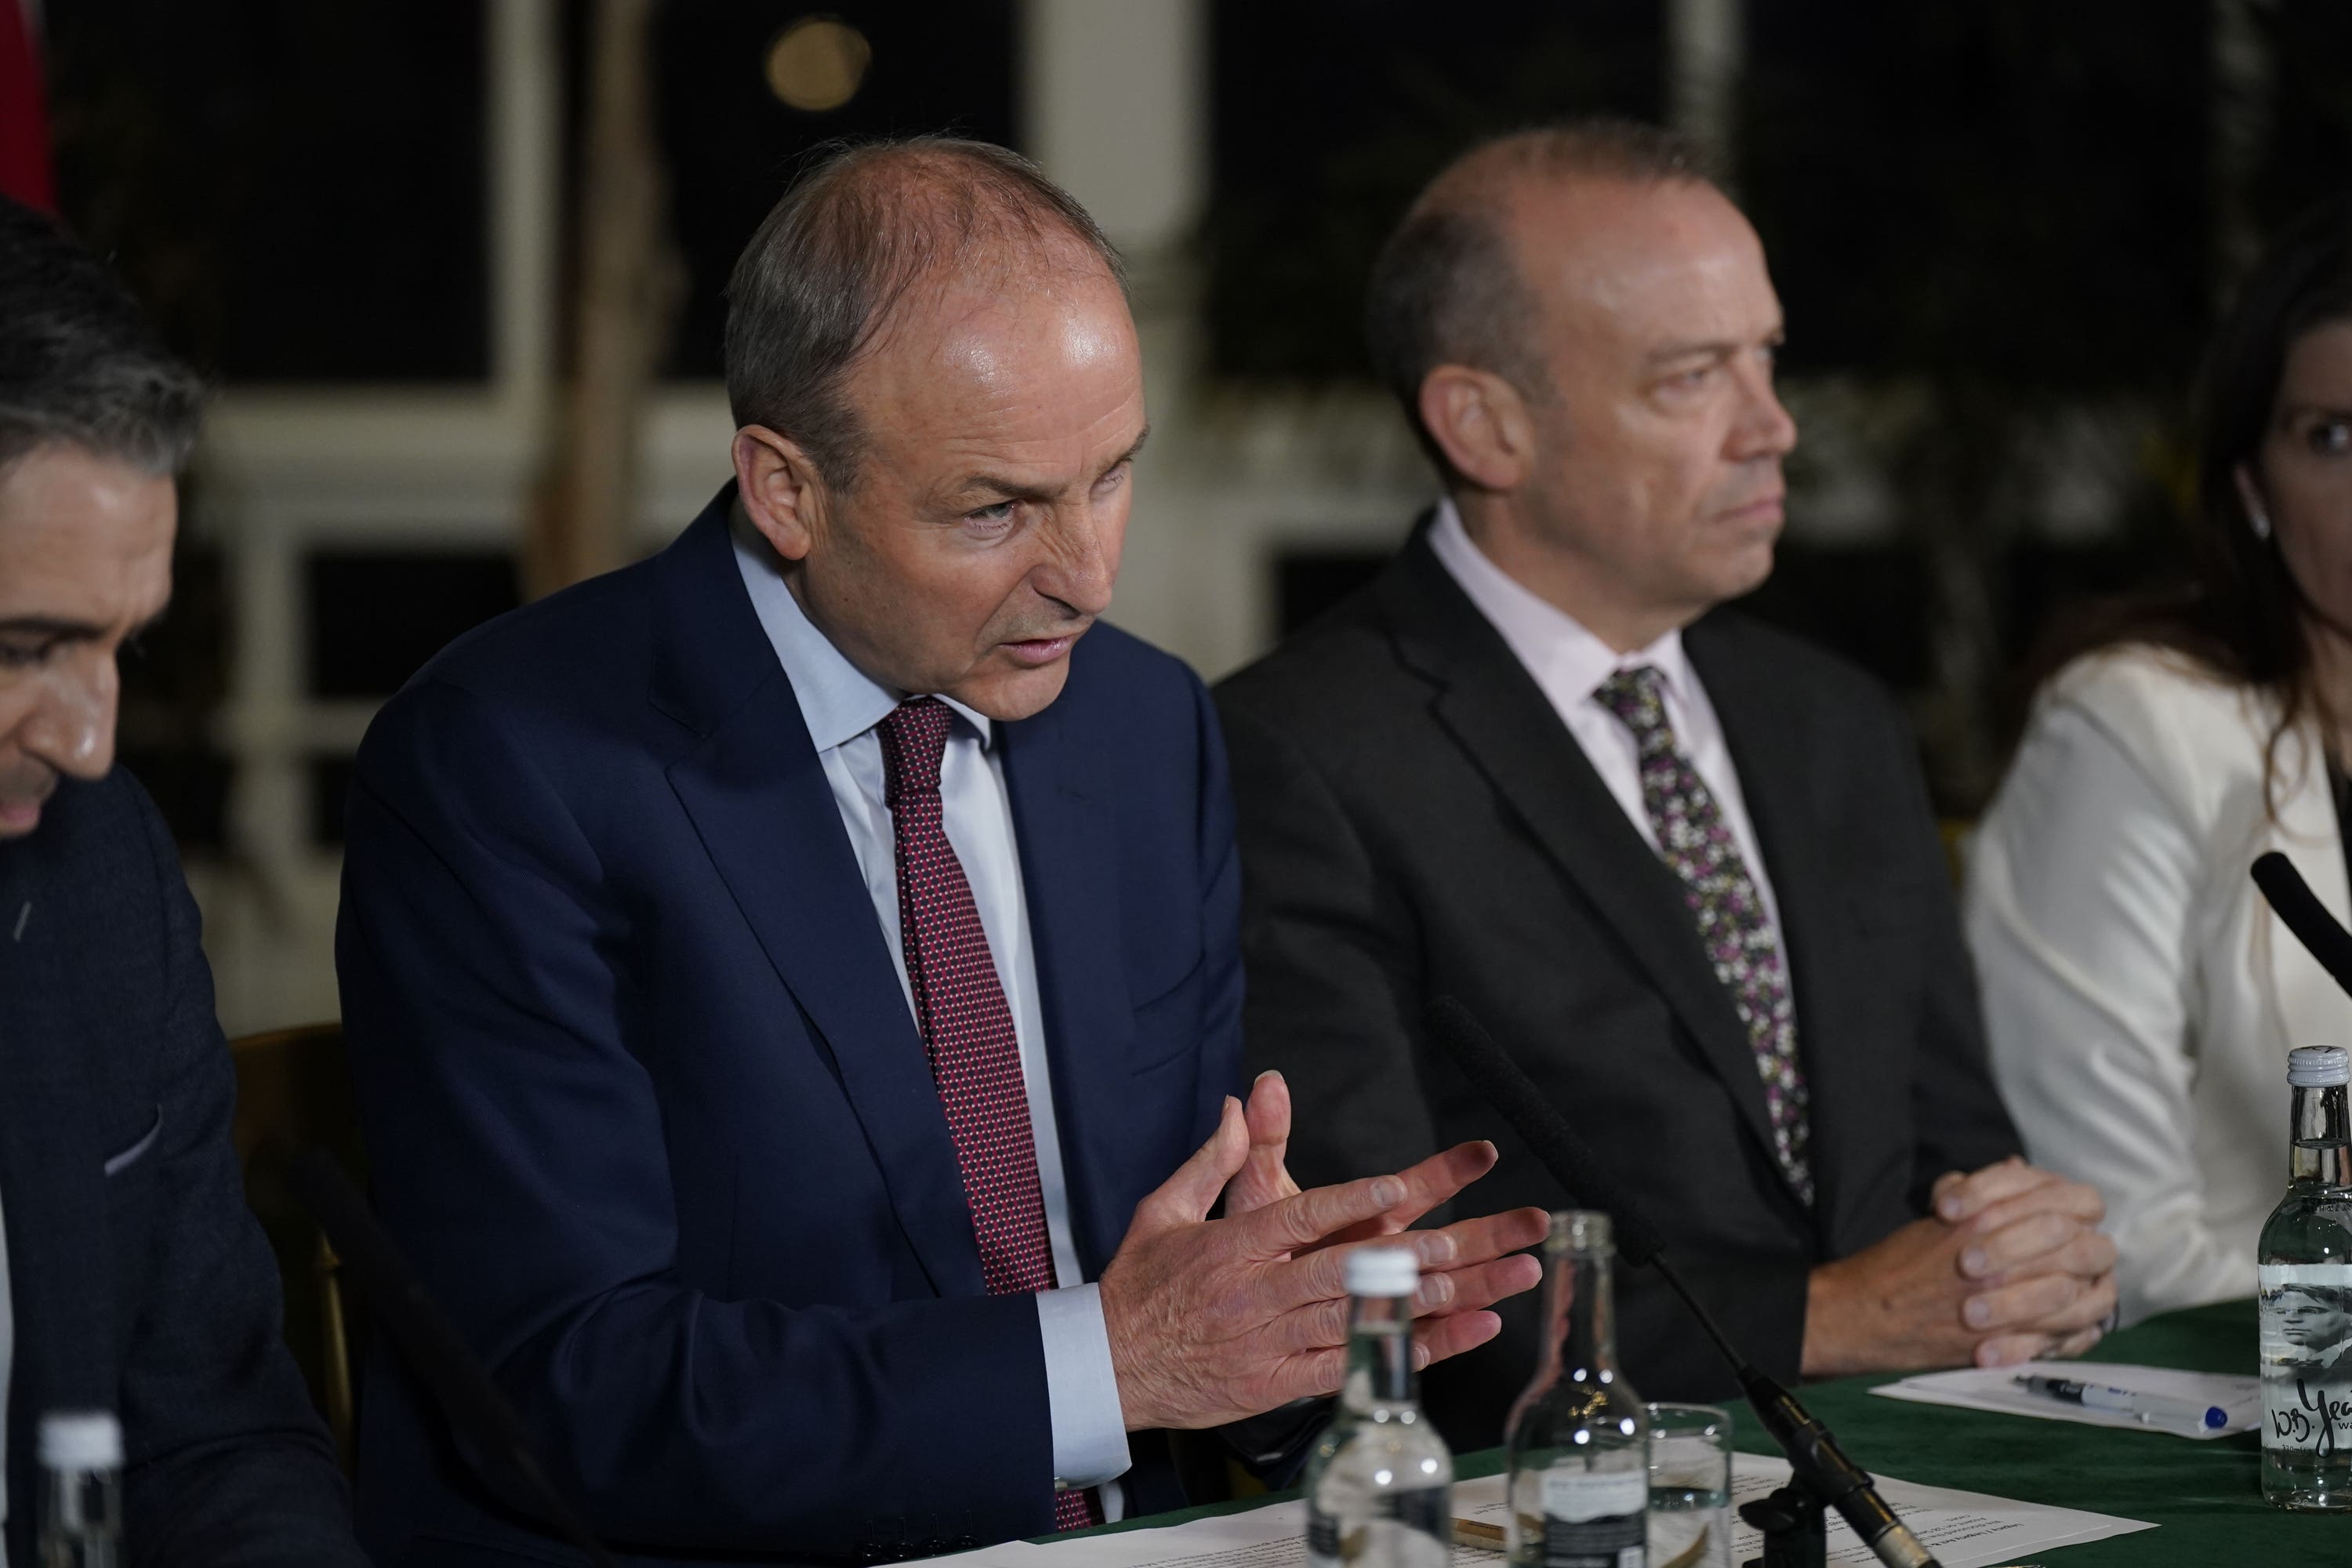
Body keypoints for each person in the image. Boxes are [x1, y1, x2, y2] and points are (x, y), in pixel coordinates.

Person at [337, 136, 1546, 1565]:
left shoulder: (1147, 726)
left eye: (1110, 477)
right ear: (786, 490)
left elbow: (1173, 1289)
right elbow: (573, 1388)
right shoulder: (508, 763)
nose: (1086, 577)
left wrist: (1271, 1334)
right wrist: (1118, 1366)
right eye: (996, 510)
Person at [1214, 121, 2118, 1444]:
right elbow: (1381, 1288)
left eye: (1768, 359)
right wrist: (1829, 1320)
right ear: (1485, 423)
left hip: (1943, 1472)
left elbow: (1956, 1157)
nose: (1776, 429)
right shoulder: (1299, 753)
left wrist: (2028, 1250)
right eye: (1694, 377)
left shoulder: (1835, 719)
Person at [0, 198, 368, 1565]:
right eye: (27, 646)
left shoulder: (95, 874)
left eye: (119, 649)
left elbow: (211, 1439)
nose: (89, 739)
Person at [1969, 196, 2352, 1327]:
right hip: (2212, 1409)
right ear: (2252, 490)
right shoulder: (2131, 729)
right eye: (2333, 437)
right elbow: (2109, 1242)